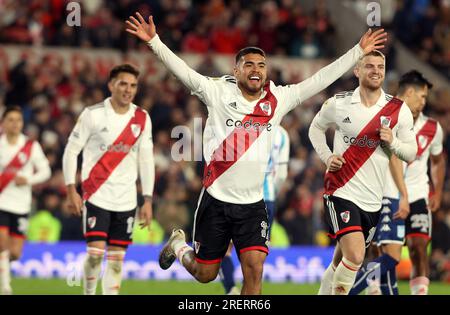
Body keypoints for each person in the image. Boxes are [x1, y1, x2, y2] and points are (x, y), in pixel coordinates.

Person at [126, 12, 387, 295]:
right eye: (248, 64)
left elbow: (320, 79)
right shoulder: (217, 92)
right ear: (236, 70)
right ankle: (178, 244)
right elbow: (183, 72)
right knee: (205, 274)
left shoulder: (279, 99)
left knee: (254, 270)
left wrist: (357, 52)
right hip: (216, 200)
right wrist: (154, 42)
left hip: (252, 205)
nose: (256, 69)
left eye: (261, 65)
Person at [309, 50, 418, 295]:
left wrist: (393, 143)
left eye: (380, 66)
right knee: (356, 255)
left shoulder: (398, 110)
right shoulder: (339, 103)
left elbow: (410, 152)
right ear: (357, 71)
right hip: (341, 189)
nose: (376, 70)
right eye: (369, 66)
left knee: (341, 261)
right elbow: (315, 128)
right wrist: (328, 157)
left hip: (373, 199)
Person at [350, 70, 445, 295]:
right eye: (422, 96)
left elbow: (439, 160)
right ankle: (364, 289)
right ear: (410, 92)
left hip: (416, 196)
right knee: (381, 251)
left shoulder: (433, 128)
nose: (424, 101)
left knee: (418, 248)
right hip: (385, 193)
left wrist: (437, 191)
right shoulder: (386, 119)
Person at [62, 64, 155, 295]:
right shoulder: (92, 114)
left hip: (126, 200)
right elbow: (71, 151)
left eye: (133, 85)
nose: (128, 89)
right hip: (96, 194)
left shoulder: (142, 118)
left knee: (116, 260)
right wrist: (71, 189)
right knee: (95, 255)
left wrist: (148, 199)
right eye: (123, 83)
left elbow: (146, 160)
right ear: (111, 85)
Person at [219, 125, 290, 295]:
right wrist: (272, 192)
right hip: (266, 199)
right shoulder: (281, 134)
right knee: (256, 259)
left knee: (225, 249)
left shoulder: (242, 126)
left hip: (238, 196)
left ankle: (231, 290)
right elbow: (281, 174)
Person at [0, 106, 51, 294]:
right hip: (1, 202)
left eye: (18, 120)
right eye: (11, 120)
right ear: (3, 123)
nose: (15, 123)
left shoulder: (31, 146)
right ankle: (6, 287)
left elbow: (46, 172)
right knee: (1, 244)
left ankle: (3, 269)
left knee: (14, 253)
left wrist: (28, 180)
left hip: (21, 205)